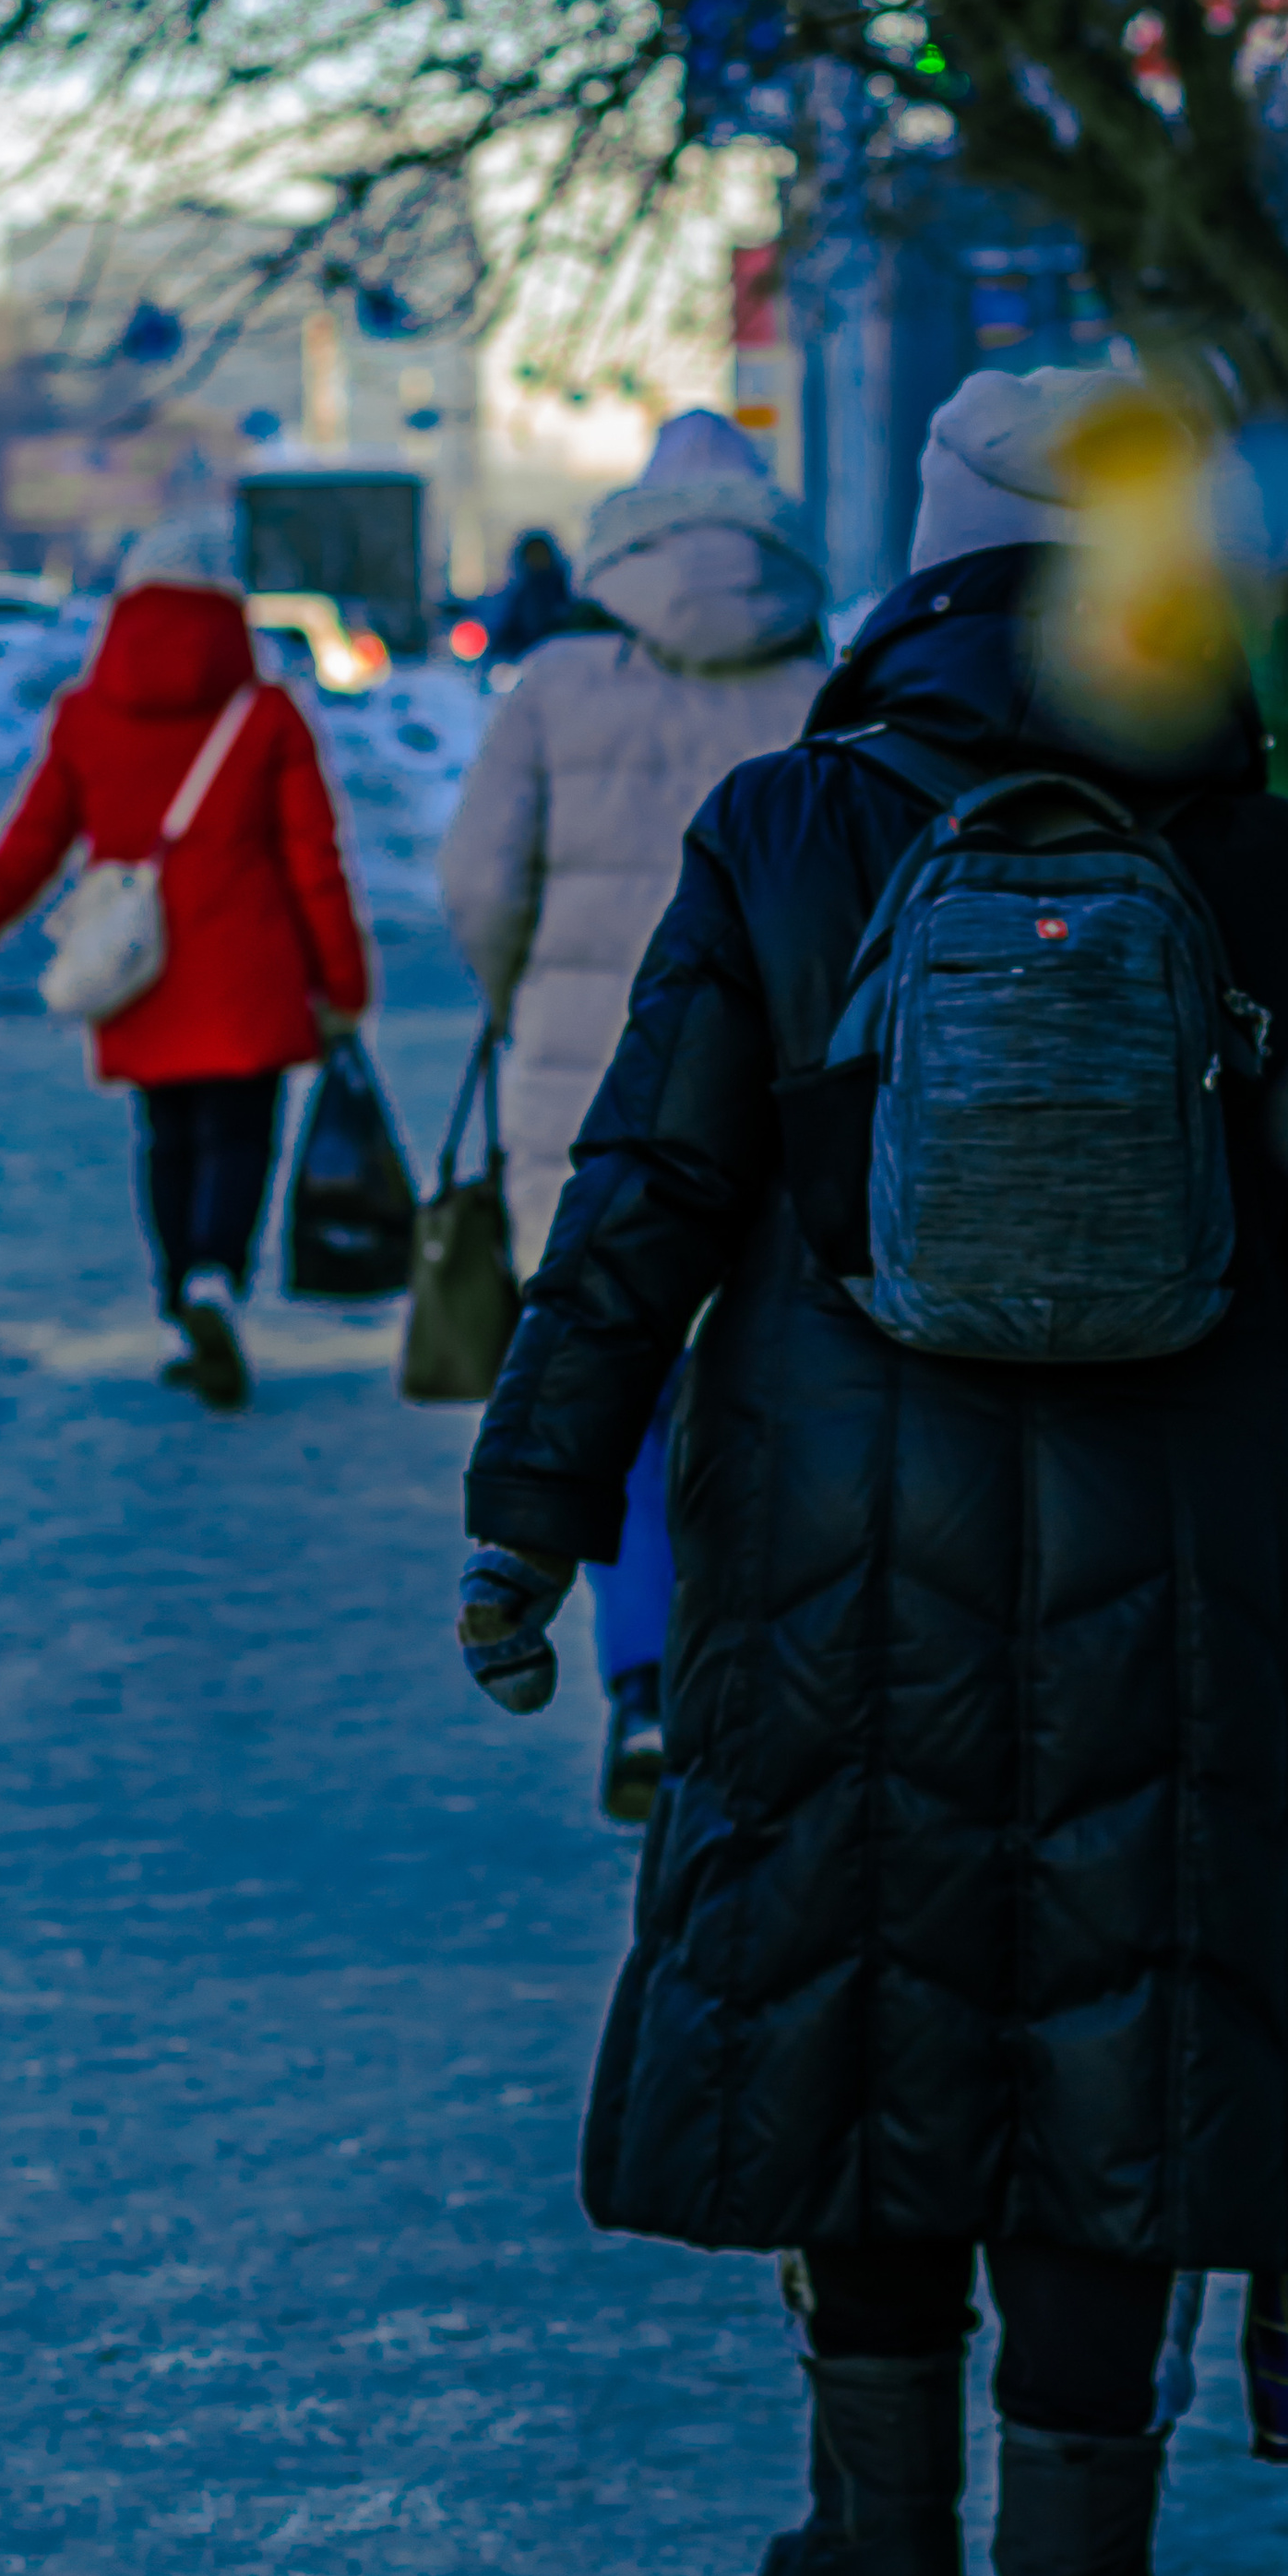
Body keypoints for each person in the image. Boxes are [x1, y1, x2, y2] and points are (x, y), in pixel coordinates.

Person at [450, 367, 1288, 2576]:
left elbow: (640, 1214)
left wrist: (527, 1518)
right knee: (1119, 2037)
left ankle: (879, 2552)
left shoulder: (789, 827)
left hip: (831, 1538)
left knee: (872, 2013)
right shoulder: (1262, 859)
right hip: (1202, 1555)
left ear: (920, 552)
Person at [438, 410, 826, 1816]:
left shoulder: (554, 687)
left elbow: (481, 887)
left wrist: (525, 994)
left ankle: (649, 1689)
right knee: (782, 1398)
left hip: (583, 1089)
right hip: (786, 1098)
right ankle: (777, 1695)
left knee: (631, 1392)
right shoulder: (830, 691)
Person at [0, 566, 372, 1410]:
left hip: (136, 971)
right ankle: (215, 1279)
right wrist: (343, 980)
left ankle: (175, 1309)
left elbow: (26, 852)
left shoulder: (88, 717)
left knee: (168, 1138)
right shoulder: (264, 716)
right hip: (247, 973)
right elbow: (315, 862)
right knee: (240, 1137)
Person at [478, 529, 577, 666]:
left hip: (564, 662)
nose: (536, 559)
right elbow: (508, 631)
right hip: (529, 665)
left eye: (540, 553)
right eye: (532, 554)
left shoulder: (569, 588)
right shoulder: (520, 595)